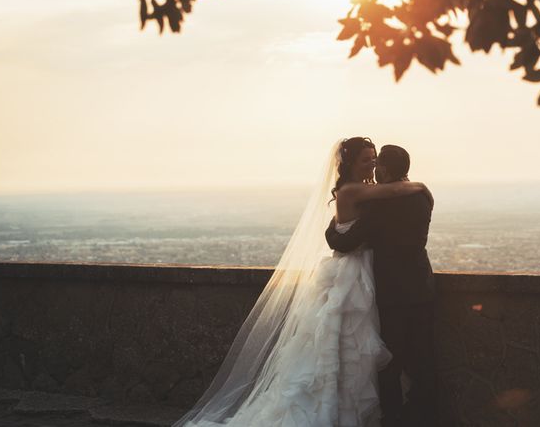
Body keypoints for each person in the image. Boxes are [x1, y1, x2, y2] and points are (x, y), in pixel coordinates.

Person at [173, 137, 432, 427]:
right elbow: (391, 196)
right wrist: (420, 185)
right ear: (349, 163)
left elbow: (354, 228)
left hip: (367, 274)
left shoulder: (371, 192)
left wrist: (333, 232)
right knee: (346, 340)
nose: (372, 163)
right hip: (355, 274)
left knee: (357, 343)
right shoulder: (356, 190)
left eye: (375, 158)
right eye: (366, 159)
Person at [326, 144, 439, 427]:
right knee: (423, 360)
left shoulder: (381, 204)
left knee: (390, 362)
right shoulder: (424, 196)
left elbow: (346, 242)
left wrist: (331, 229)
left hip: (391, 292)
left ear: (384, 169)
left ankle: (394, 418)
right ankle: (426, 415)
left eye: (377, 164)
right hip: (422, 286)